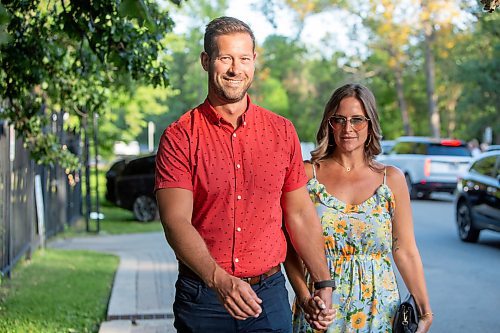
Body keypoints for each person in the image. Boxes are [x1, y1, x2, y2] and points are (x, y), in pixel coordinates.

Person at [155, 16, 334, 333]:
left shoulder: (281, 131)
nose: (235, 69)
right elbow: (175, 221)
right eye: (225, 58)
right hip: (203, 298)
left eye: (244, 59)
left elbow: (300, 213)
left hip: (268, 296)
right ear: (206, 61)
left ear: (254, 62)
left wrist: (322, 281)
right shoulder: (180, 136)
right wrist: (219, 280)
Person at [285, 83, 433, 332]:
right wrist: (304, 297)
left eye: (357, 120)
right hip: (321, 307)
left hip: (380, 307)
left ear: (370, 123)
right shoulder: (307, 174)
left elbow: (405, 250)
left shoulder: (391, 179)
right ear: (328, 123)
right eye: (339, 120)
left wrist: (424, 309)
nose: (348, 128)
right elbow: (289, 246)